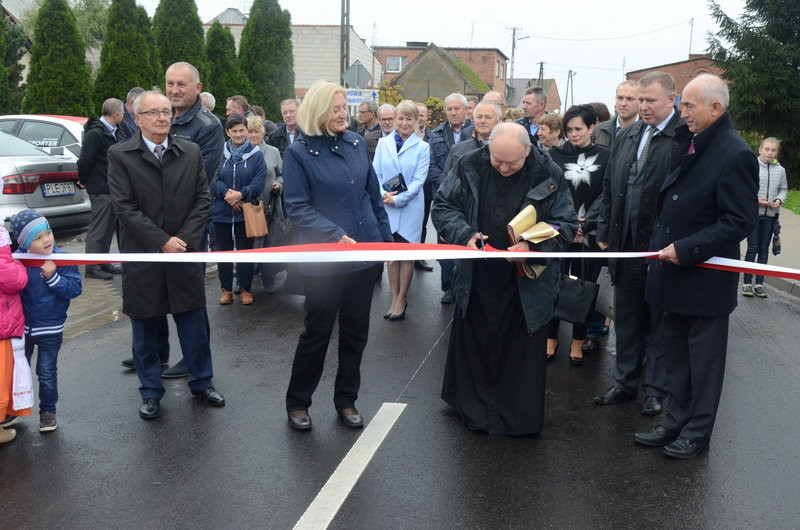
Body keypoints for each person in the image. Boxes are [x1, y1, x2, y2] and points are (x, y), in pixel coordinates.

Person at [635, 74, 758, 459]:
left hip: (704, 279)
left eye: (688, 106)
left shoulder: (735, 153)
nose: (681, 112)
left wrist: (686, 249)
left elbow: (738, 220)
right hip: (673, 274)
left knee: (703, 365)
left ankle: (698, 432)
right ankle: (674, 420)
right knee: (676, 359)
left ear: (715, 108)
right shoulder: (692, 140)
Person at [431, 122, 577, 436]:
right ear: (489, 148)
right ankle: (472, 409)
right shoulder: (469, 165)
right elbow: (443, 207)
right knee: (475, 341)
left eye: (512, 163)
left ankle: (515, 417)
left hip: (526, 280)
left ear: (529, 150)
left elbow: (565, 222)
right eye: (497, 160)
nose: (503, 168)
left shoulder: (548, 172)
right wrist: (466, 235)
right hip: (478, 273)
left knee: (519, 350)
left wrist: (533, 246)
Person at [282, 80, 392, 431]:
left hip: (363, 256)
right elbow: (296, 206)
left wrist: (387, 244)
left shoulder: (357, 144)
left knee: (356, 333)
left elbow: (373, 198)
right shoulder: (298, 152)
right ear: (317, 111)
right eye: (335, 108)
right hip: (325, 259)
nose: (343, 114)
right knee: (317, 333)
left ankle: (346, 400)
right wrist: (334, 234)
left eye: (344, 107)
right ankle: (298, 402)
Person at [108, 90, 225, 419]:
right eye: (155, 112)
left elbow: (203, 199)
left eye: (167, 111)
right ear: (138, 118)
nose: (163, 117)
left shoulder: (190, 151)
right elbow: (124, 208)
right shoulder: (120, 155)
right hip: (144, 257)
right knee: (145, 330)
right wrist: (162, 241)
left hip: (183, 254)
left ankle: (202, 383)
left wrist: (182, 241)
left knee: (194, 324)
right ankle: (150, 392)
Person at [126, 62, 224, 379]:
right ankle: (157, 352)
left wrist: (176, 236)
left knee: (189, 303)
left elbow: (202, 186)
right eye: (170, 83)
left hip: (187, 233)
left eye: (182, 84)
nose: (174, 90)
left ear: (197, 87)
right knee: (151, 295)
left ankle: (194, 362)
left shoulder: (207, 126)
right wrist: (154, 233)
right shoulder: (155, 113)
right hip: (151, 231)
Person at [594, 72, 681, 414]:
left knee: (658, 321)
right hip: (624, 243)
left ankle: (655, 390)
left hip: (660, 248)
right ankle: (624, 382)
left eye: (650, 101)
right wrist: (604, 232)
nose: (643, 107)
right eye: (639, 100)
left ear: (671, 100)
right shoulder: (628, 134)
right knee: (627, 317)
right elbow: (608, 188)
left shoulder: (681, 139)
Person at [545, 105, 609, 365]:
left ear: (592, 127)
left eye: (578, 129)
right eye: (568, 129)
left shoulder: (606, 157)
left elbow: (607, 194)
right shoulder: (554, 155)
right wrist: (569, 224)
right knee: (553, 283)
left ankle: (578, 341)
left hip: (589, 234)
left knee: (584, 287)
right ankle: (551, 338)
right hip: (559, 231)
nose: (573, 134)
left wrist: (586, 223)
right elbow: (549, 191)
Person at [10, 209, 82, 433]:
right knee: (16, 369)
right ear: (25, 244)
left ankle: (48, 412)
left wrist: (53, 277)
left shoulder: (63, 259)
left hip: (51, 327)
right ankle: (12, 409)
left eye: (48, 233)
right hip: (22, 328)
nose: (46, 240)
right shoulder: (19, 260)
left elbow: (74, 289)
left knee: (47, 372)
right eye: (38, 237)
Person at [373, 100, 430, 320]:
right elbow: (375, 172)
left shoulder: (422, 147)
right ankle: (393, 297)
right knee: (392, 255)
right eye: (401, 118)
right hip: (386, 204)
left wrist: (398, 200)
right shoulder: (383, 143)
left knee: (407, 255)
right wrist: (382, 195)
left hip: (410, 207)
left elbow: (418, 181)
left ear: (416, 121)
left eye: (409, 118)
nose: (404, 123)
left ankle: (401, 299)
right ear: (395, 119)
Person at [211, 113, 267, 305]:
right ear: (227, 132)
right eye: (234, 131)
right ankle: (226, 290)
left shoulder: (256, 155)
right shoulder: (219, 153)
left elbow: (259, 183)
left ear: (246, 130)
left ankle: (245, 289)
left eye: (242, 130)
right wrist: (228, 195)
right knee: (223, 252)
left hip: (246, 213)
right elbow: (211, 179)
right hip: (221, 212)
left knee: (245, 252)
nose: (238, 134)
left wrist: (241, 195)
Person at [429, 93, 471, 304]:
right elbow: (432, 166)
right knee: (445, 243)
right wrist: (446, 185)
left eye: (457, 108)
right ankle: (448, 287)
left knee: (467, 241)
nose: (453, 113)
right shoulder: (435, 134)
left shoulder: (474, 132)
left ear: (466, 110)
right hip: (444, 194)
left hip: (469, 198)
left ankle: (466, 286)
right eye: (449, 109)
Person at [78, 97, 125, 280]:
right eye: (122, 114)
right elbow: (85, 160)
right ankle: (92, 266)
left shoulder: (109, 131)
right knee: (99, 228)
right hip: (100, 187)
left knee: (107, 228)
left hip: (109, 187)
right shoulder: (96, 133)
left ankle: (103, 262)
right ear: (116, 114)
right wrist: (84, 180)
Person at [742, 137, 787, 298]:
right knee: (752, 247)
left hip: (770, 217)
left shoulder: (780, 170)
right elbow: (744, 189)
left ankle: (759, 283)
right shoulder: (753, 166)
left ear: (777, 152)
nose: (769, 152)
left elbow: (783, 189)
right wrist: (755, 199)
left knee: (763, 250)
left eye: (773, 150)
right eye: (767, 149)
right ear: (760, 150)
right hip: (754, 214)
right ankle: (747, 282)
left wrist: (779, 200)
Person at [0, 226, 31, 442]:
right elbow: (16, 281)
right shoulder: (3, 262)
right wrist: (17, 263)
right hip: (3, 333)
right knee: (2, 379)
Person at [247, 116, 285, 293]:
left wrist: (279, 184)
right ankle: (244, 283)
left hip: (268, 206)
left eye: (256, 131)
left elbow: (282, 174)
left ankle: (268, 280)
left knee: (269, 245)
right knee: (248, 246)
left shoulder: (273, 151)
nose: (253, 135)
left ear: (263, 133)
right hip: (247, 207)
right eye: (250, 131)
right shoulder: (241, 151)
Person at [442, 100, 502, 177]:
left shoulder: (509, 148)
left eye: (488, 117)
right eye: (479, 117)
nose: (482, 121)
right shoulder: (457, 150)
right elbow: (447, 183)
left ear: (500, 120)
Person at [414, 101, 434, 273]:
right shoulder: (403, 135)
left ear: (427, 117)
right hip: (405, 190)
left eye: (422, 115)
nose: (420, 118)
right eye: (417, 114)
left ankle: (418, 257)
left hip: (426, 190)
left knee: (422, 225)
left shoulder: (433, 136)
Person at [594, 80, 640, 149]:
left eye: (629, 99)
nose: (623, 104)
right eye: (620, 98)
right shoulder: (600, 129)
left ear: (640, 101)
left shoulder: (646, 131)